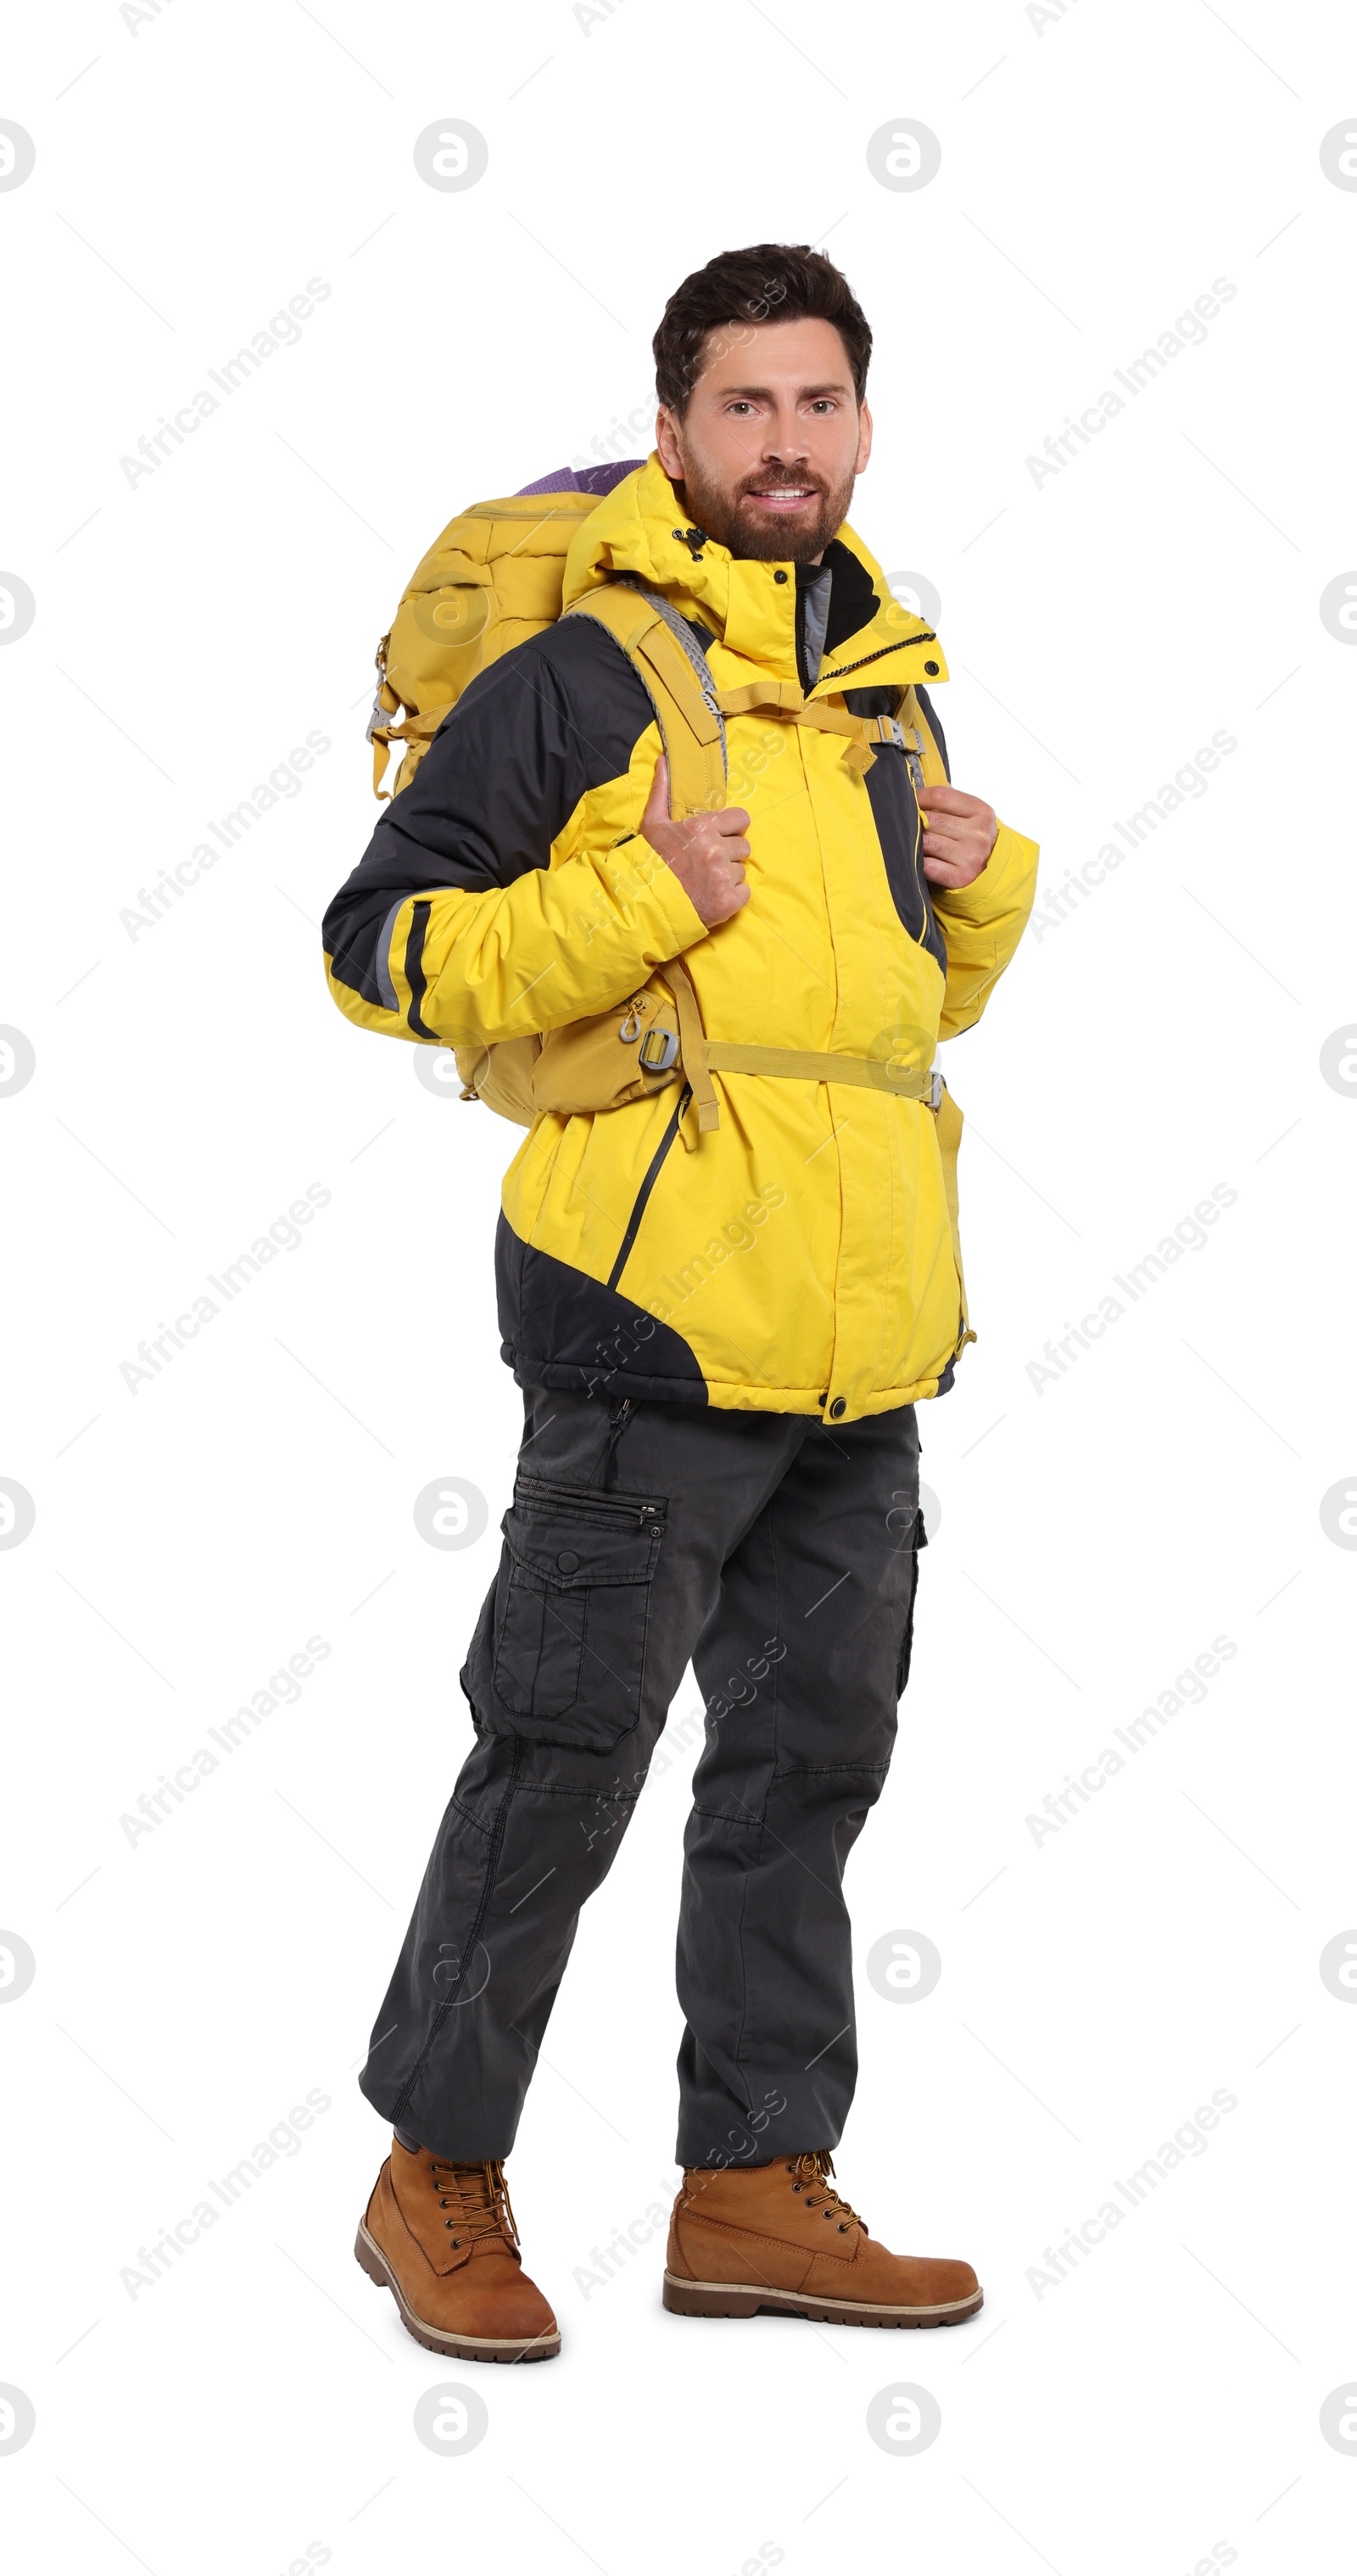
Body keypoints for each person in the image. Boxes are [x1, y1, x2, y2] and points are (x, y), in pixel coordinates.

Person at [323, 243, 1038, 2363]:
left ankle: (749, 2183)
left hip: (862, 1335)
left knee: (806, 1770)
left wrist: (975, 886)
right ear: (675, 431)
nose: (784, 444)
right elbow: (382, 947)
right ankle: (430, 2172)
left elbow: (883, 1016)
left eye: (818, 406)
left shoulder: (883, 687)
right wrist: (647, 886)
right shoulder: (579, 684)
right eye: (745, 408)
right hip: (646, 1318)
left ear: (861, 430)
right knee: (557, 1759)